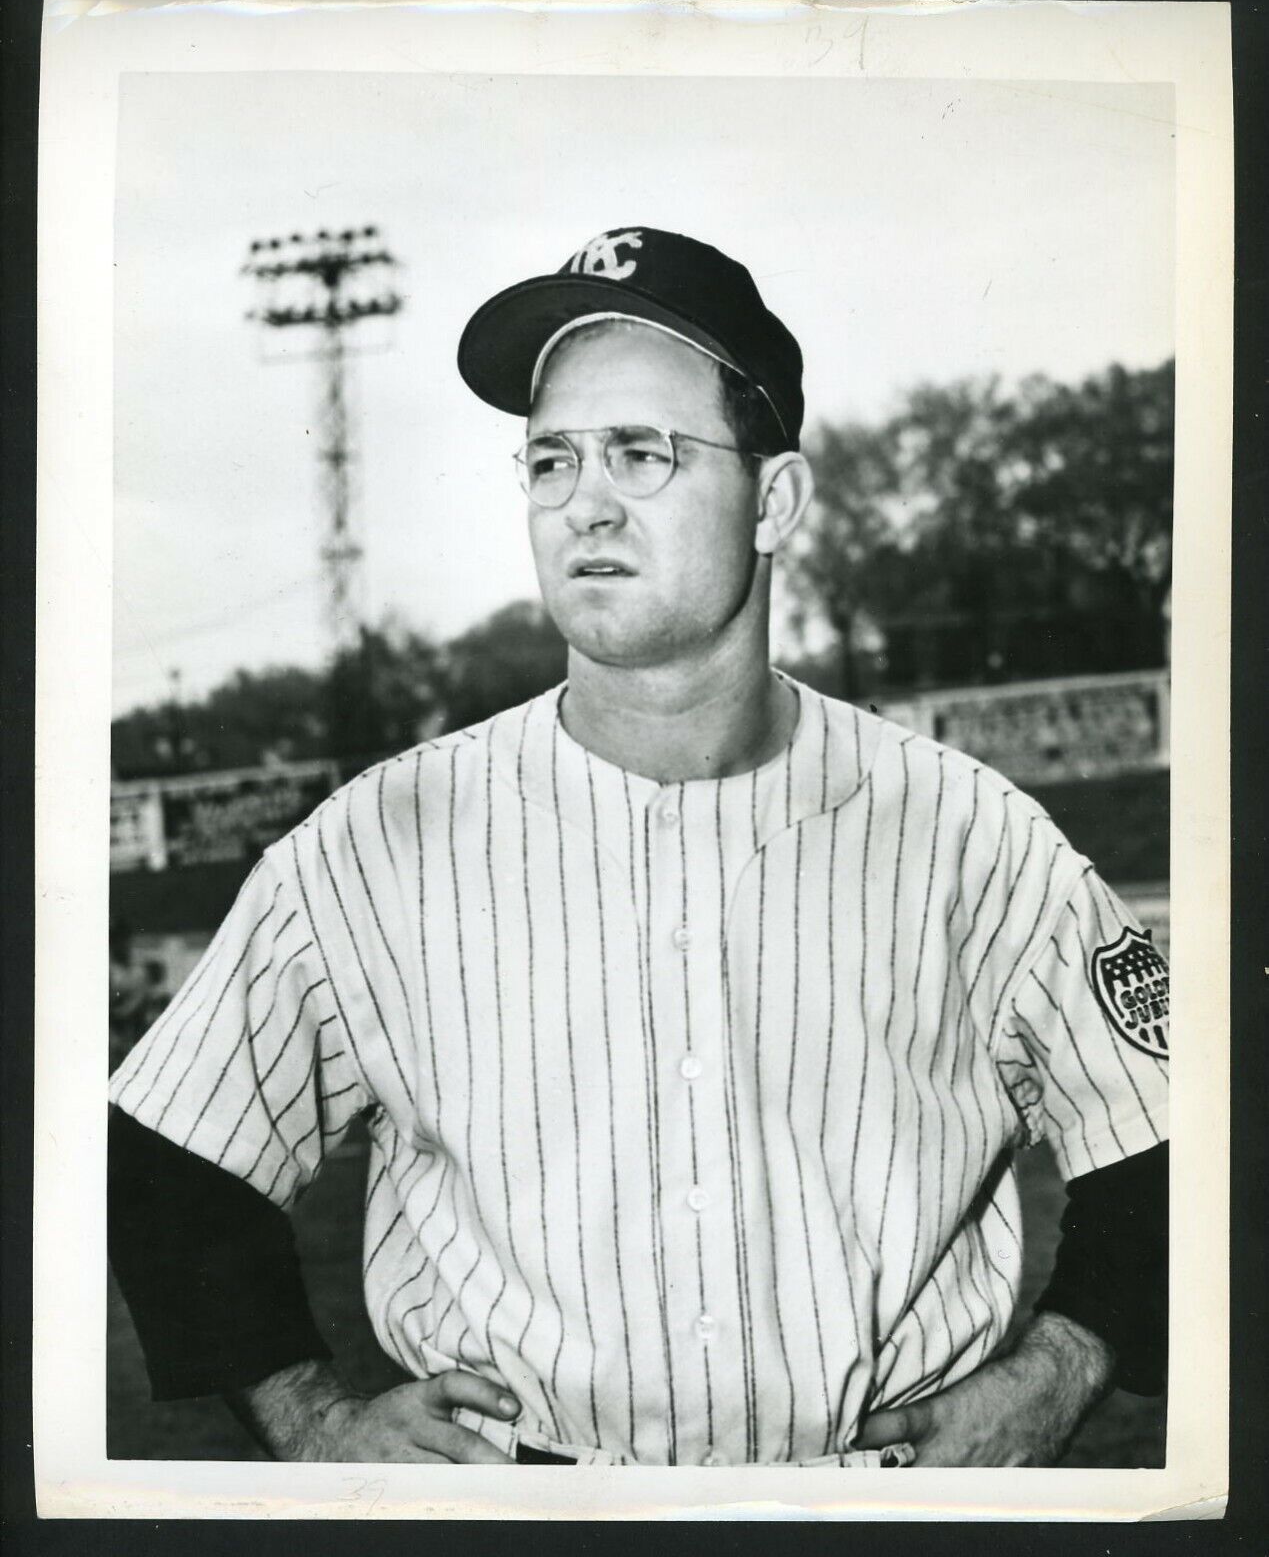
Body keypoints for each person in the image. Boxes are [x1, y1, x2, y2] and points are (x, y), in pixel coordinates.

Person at [108, 227, 1169, 1468]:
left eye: (641, 452)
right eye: (550, 459)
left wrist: (1056, 1373)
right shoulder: (371, 847)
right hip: (530, 1511)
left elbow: (1175, 1132)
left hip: (877, 1504)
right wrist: (311, 1422)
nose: (585, 501)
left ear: (775, 499)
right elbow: (170, 1153)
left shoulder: (977, 839)